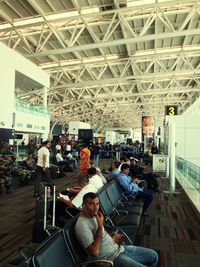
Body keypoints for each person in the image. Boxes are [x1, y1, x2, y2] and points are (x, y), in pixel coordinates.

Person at [75, 192, 158, 267]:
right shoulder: (82, 225)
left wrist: (112, 237)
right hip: (111, 259)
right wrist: (100, 226)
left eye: (97, 204)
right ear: (83, 205)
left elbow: (102, 235)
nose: (95, 208)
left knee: (154, 256)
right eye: (91, 204)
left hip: (119, 248)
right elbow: (94, 252)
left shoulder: (94, 216)